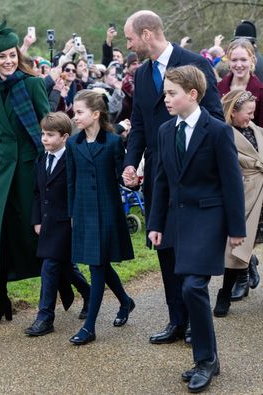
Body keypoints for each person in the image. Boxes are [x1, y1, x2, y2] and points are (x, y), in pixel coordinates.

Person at [122, 10, 224, 346]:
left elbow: (215, 116)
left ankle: (196, 321)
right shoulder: (141, 74)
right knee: (163, 244)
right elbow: (137, 123)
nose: (128, 44)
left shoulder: (194, 62)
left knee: (189, 247)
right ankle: (176, 319)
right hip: (156, 174)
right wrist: (131, 164)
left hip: (192, 172)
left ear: (147, 34)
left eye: (130, 38)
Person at [148, 65, 245, 393]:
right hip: (176, 222)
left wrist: (237, 229)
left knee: (192, 287)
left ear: (192, 94)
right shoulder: (165, 131)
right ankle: (208, 358)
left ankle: (206, 360)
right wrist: (155, 223)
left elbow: (232, 183)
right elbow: (160, 181)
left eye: (171, 93)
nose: (166, 100)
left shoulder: (217, 131)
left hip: (208, 219)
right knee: (186, 287)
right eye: (164, 94)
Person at [0, 21, 50, 326]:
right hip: (0, 171)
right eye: (1, 57)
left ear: (18, 56)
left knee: (37, 234)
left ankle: (66, 285)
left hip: (29, 168)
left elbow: (48, 128)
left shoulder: (33, 85)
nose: (7, 61)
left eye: (11, 55)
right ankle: (0, 300)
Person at [66, 90, 135, 345]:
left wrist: (133, 181)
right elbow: (71, 182)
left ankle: (89, 327)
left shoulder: (114, 142)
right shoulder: (73, 144)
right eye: (74, 112)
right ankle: (125, 302)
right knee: (100, 265)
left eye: (80, 112)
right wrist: (72, 213)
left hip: (108, 211)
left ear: (95, 114)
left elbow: (121, 176)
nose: (75, 117)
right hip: (83, 212)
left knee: (97, 266)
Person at [24, 112, 90, 336]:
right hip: (47, 223)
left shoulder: (72, 160)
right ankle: (89, 295)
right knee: (65, 267)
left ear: (64, 137)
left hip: (67, 223)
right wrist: (36, 220)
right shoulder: (42, 159)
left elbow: (79, 191)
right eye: (43, 134)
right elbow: (37, 193)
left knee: (50, 265)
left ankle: (45, 317)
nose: (44, 138)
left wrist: (77, 217)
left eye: (50, 135)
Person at [213, 90, 263, 317]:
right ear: (232, 112)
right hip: (244, 195)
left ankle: (249, 264)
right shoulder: (223, 134)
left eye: (253, 113)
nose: (251, 118)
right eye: (247, 113)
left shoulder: (258, 131)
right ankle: (224, 293)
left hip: (261, 192)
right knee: (236, 247)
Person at [218, 38, 263, 127]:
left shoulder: (261, 91)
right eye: (234, 60)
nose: (239, 65)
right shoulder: (218, 88)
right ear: (228, 61)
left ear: (252, 60)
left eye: (243, 60)